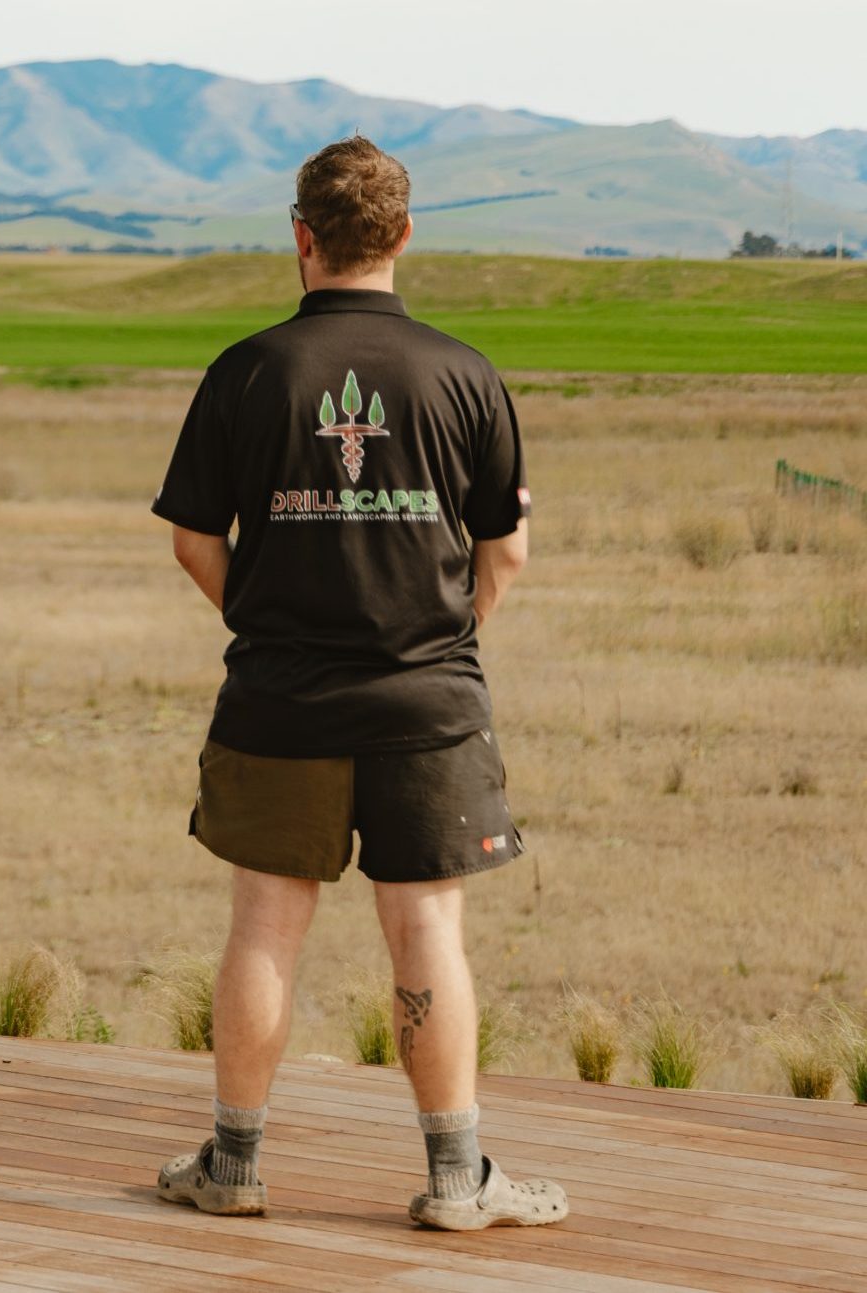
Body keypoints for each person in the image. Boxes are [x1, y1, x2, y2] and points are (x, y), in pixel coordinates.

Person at [150, 136, 564, 1231]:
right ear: (403, 236)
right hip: (425, 704)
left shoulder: (247, 370)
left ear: (300, 237)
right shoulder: (463, 372)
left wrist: (267, 620)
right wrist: (435, 640)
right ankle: (455, 1178)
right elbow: (505, 552)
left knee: (262, 930)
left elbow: (193, 542)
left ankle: (233, 1167)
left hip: (277, 700)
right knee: (426, 934)